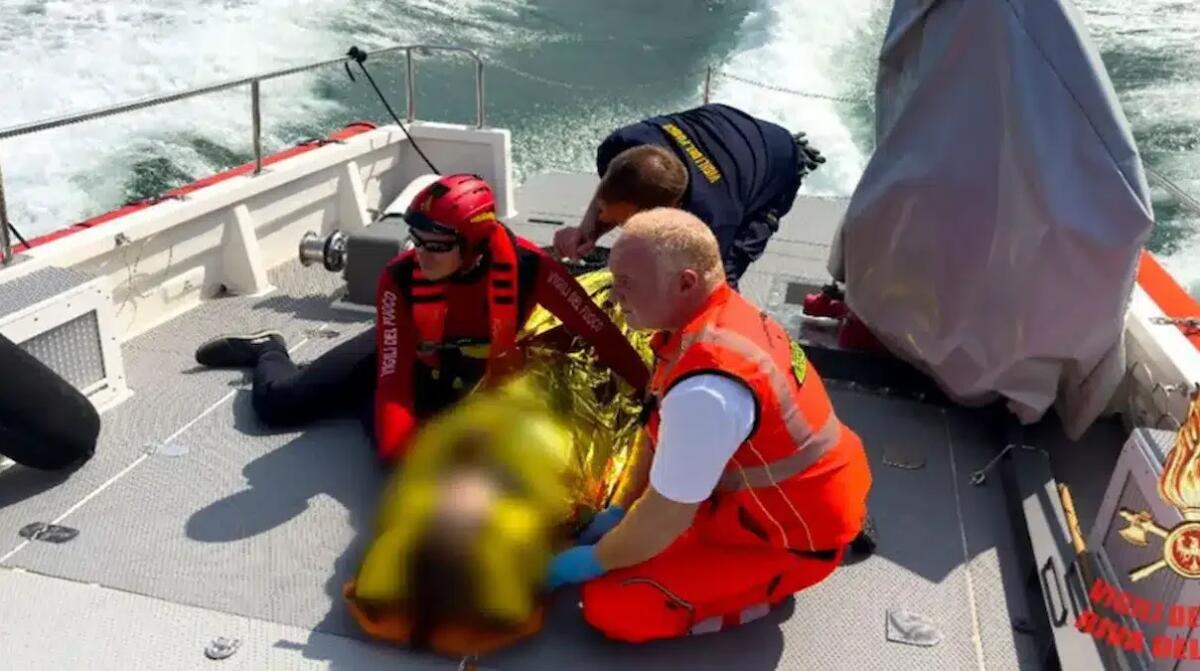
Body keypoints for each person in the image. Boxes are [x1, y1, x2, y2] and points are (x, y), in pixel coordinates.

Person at [545, 208, 873, 643]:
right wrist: (621, 510)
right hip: (782, 499)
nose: (615, 292)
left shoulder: (708, 388)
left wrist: (583, 563)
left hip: (791, 539)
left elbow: (663, 520)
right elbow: (656, 423)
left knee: (614, 606)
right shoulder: (711, 324)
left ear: (685, 282)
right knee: (628, 545)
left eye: (628, 283)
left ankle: (766, 590)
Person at [194, 173, 649, 462]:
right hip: (404, 355)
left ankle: (355, 400)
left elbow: (598, 331)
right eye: (416, 239)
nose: (420, 254)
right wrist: (401, 453)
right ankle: (269, 349)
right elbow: (392, 375)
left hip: (482, 371)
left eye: (435, 245)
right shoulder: (401, 278)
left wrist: (652, 392)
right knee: (278, 407)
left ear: (472, 244)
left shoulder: (531, 267)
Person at [552, 103, 826, 289]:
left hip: (777, 167)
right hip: (722, 128)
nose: (610, 221)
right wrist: (589, 229)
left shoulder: (714, 219)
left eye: (626, 222)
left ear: (668, 212)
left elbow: (711, 284)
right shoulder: (620, 145)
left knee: (720, 276)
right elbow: (614, 189)